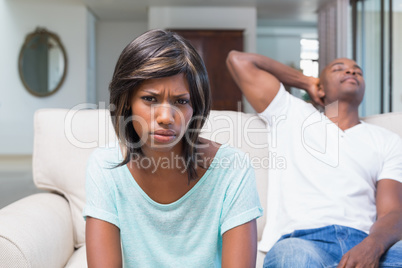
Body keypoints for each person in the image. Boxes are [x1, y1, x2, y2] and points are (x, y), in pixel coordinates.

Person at [82, 30, 263, 268]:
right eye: (150, 99)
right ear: (127, 102)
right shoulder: (105, 166)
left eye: (181, 101)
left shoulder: (233, 168)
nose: (167, 117)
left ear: (195, 108)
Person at [226, 51, 402, 268]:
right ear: (321, 87)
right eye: (339, 68)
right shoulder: (292, 114)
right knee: (290, 257)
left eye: (358, 71)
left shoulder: (387, 140)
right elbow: (239, 60)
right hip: (303, 243)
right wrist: (307, 81)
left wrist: (372, 246)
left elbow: (393, 211)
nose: (351, 71)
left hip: (366, 241)